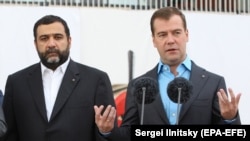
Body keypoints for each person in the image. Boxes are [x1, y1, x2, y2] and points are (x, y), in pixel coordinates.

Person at [94, 6, 242, 141]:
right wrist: (107, 131)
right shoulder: (139, 85)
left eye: (176, 32)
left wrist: (230, 119)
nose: (170, 40)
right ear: (154, 40)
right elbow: (128, 135)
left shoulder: (212, 83)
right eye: (162, 35)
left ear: (187, 34)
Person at [0, 15, 116, 141]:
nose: (51, 44)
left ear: (69, 41)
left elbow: (110, 132)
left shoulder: (96, 80)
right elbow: (8, 134)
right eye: (44, 38)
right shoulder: (16, 82)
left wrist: (105, 132)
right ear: (35, 44)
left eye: (58, 37)